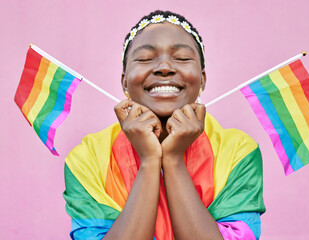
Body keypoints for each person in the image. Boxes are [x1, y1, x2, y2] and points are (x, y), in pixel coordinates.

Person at [63, 10, 265, 240]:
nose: (164, 67)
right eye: (145, 59)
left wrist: (173, 159)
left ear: (202, 79)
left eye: (181, 58)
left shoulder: (238, 151)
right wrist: (149, 161)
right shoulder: (88, 157)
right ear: (124, 81)